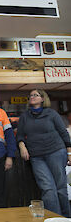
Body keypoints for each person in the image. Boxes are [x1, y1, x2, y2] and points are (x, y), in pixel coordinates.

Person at [17, 89, 71, 217]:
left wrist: (69, 153)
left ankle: (66, 217)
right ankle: (55, 218)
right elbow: (19, 135)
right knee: (47, 188)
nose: (32, 97)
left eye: (36, 95)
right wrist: (22, 146)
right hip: (36, 156)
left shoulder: (51, 114)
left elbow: (64, 133)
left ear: (43, 99)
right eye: (30, 95)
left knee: (60, 188)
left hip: (56, 152)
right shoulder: (25, 116)